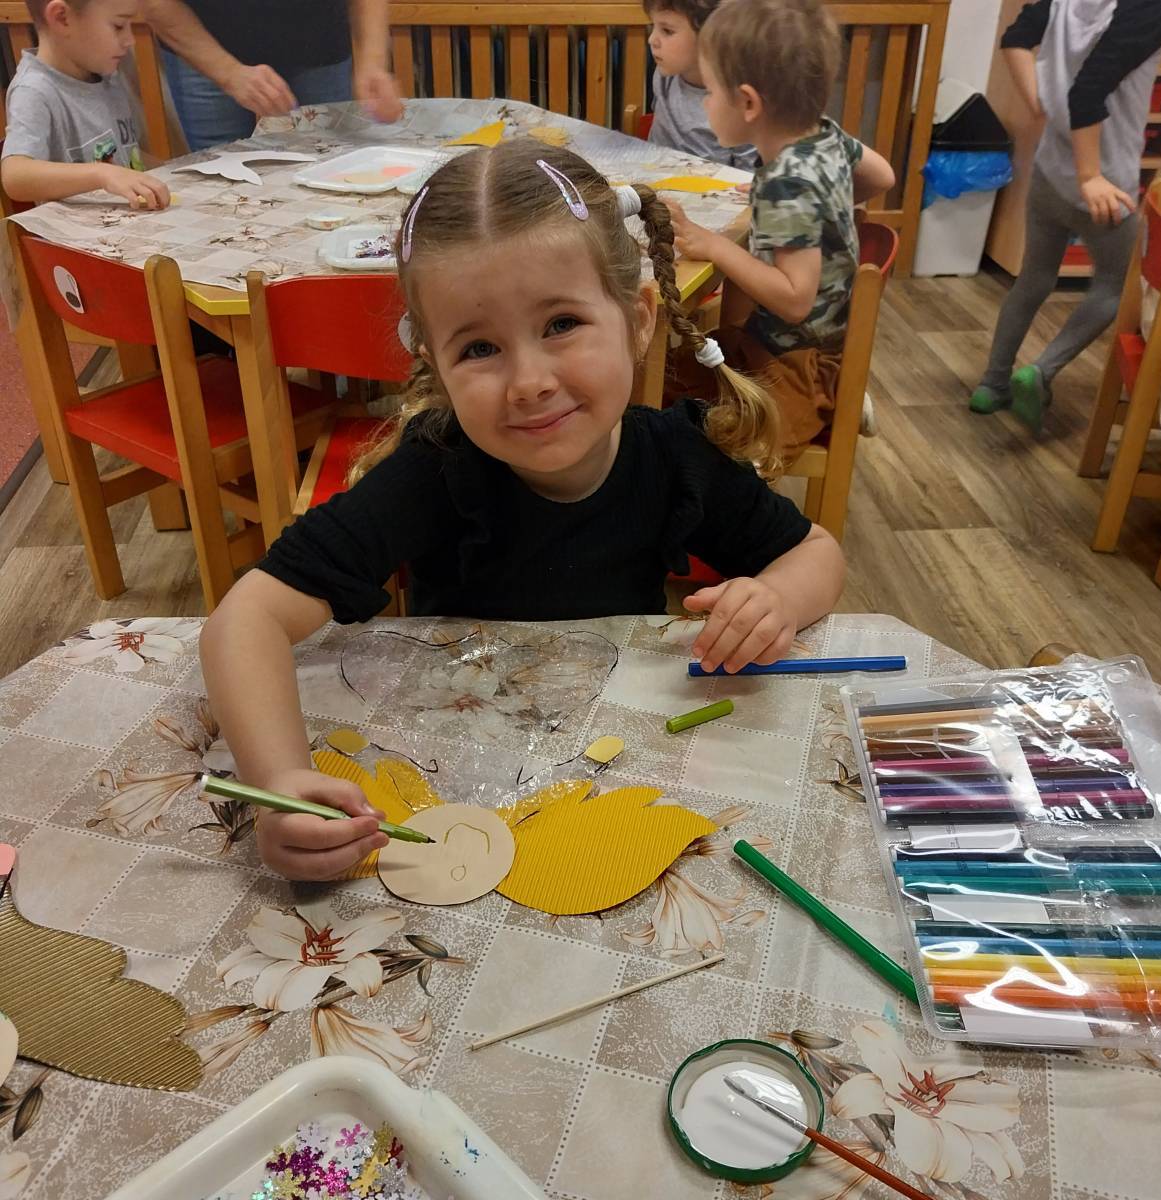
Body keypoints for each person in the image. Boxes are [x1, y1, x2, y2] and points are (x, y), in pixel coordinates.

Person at [199, 138, 846, 881]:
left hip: (611, 772)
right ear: (434, 365)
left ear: (638, 319)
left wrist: (776, 598)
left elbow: (816, 553)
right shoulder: (435, 471)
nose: (529, 381)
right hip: (452, 788)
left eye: (561, 324)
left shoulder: (677, 456)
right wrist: (281, 784)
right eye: (479, 348)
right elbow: (243, 621)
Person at [663, 0, 895, 461]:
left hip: (797, 364)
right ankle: (842, 395)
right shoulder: (826, 135)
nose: (705, 103)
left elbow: (794, 299)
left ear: (748, 103)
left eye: (710, 91)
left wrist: (715, 246)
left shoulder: (786, 184)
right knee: (673, 373)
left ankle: (835, 398)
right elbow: (883, 177)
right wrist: (824, 217)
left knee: (730, 459)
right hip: (781, 342)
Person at [970, 0, 1161, 433]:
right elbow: (1086, 95)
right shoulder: (1147, 10)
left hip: (1050, 172)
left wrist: (1039, 104)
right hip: (1105, 185)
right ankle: (1041, 372)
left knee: (1034, 278)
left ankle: (992, 383)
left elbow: (1015, 38)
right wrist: (1090, 176)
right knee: (1116, 284)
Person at [143, 0, 403, 150]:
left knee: (333, 160)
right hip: (206, 40)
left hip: (318, 42)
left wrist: (373, 62)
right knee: (219, 175)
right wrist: (228, 73)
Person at [2, 0, 171, 208]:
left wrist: (168, 173)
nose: (130, 40)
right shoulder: (34, 89)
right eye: (119, 26)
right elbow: (15, 176)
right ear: (62, 18)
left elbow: (123, 154)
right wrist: (102, 174)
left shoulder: (106, 76)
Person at [645, 0, 755, 171]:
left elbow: (748, 174)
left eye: (667, 31)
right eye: (653, 26)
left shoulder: (738, 98)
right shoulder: (663, 74)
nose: (652, 40)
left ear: (710, 37)